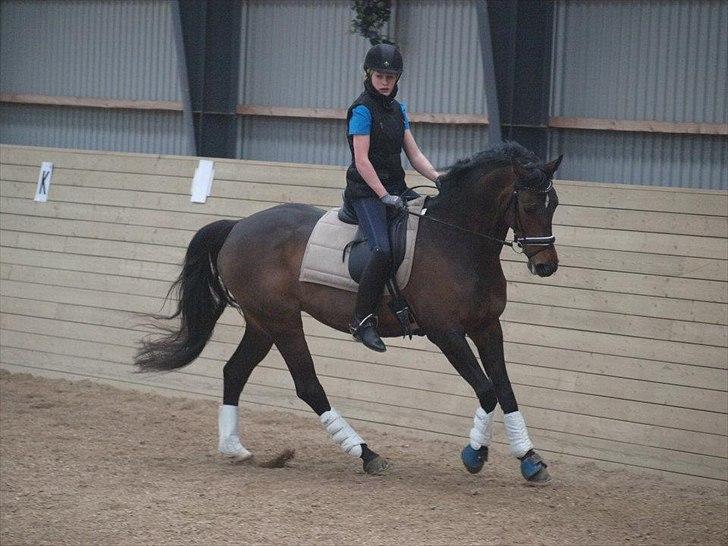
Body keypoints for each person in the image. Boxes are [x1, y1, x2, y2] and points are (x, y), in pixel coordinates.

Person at [345, 43, 440, 353]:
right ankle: (362, 321)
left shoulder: (399, 109)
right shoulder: (361, 109)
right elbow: (362, 160)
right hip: (366, 192)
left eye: (391, 76)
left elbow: (414, 155)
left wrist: (440, 179)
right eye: (380, 76)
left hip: (396, 188)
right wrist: (383, 194)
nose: (385, 82)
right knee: (382, 250)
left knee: (432, 222)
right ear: (368, 75)